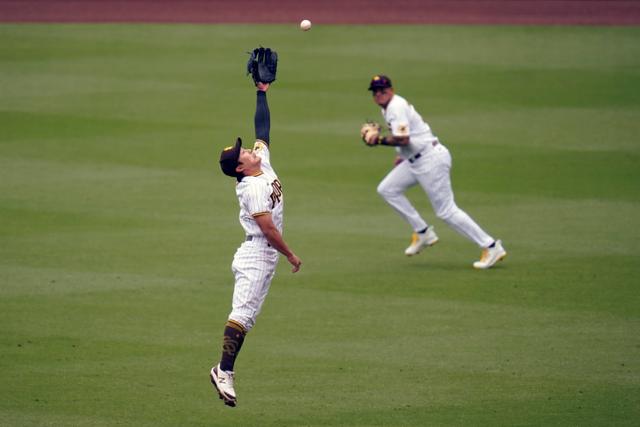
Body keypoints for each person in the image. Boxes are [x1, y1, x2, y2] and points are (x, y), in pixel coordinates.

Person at [211, 81, 302, 407]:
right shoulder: (251, 188)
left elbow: (262, 128)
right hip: (257, 254)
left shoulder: (260, 162)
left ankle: (224, 369)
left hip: (262, 254)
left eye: (245, 149)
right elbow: (267, 228)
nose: (249, 150)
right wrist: (290, 253)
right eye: (243, 153)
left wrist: (261, 91)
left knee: (247, 317)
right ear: (239, 167)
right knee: (243, 316)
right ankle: (223, 371)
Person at [361, 74, 506, 269]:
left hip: (430, 160)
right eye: (375, 91)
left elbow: (403, 139)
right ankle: (422, 232)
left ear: (391, 90)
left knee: (446, 211)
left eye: (383, 90)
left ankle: (490, 245)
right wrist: (402, 155)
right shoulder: (387, 108)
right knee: (387, 189)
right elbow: (414, 133)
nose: (379, 94)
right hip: (415, 159)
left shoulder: (395, 106)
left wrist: (377, 140)